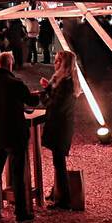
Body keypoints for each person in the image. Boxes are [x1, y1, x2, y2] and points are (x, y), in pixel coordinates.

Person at [0, 52, 38, 223]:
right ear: (10, 65)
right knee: (18, 174)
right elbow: (31, 102)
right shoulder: (16, 83)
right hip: (15, 133)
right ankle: (21, 213)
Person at [40, 50, 78, 208]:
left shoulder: (66, 84)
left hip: (59, 127)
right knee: (58, 161)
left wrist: (43, 96)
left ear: (63, 64)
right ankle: (58, 192)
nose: (54, 64)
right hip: (61, 125)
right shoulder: (64, 81)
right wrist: (48, 88)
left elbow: (55, 105)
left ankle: (64, 199)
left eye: (57, 61)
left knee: (59, 162)